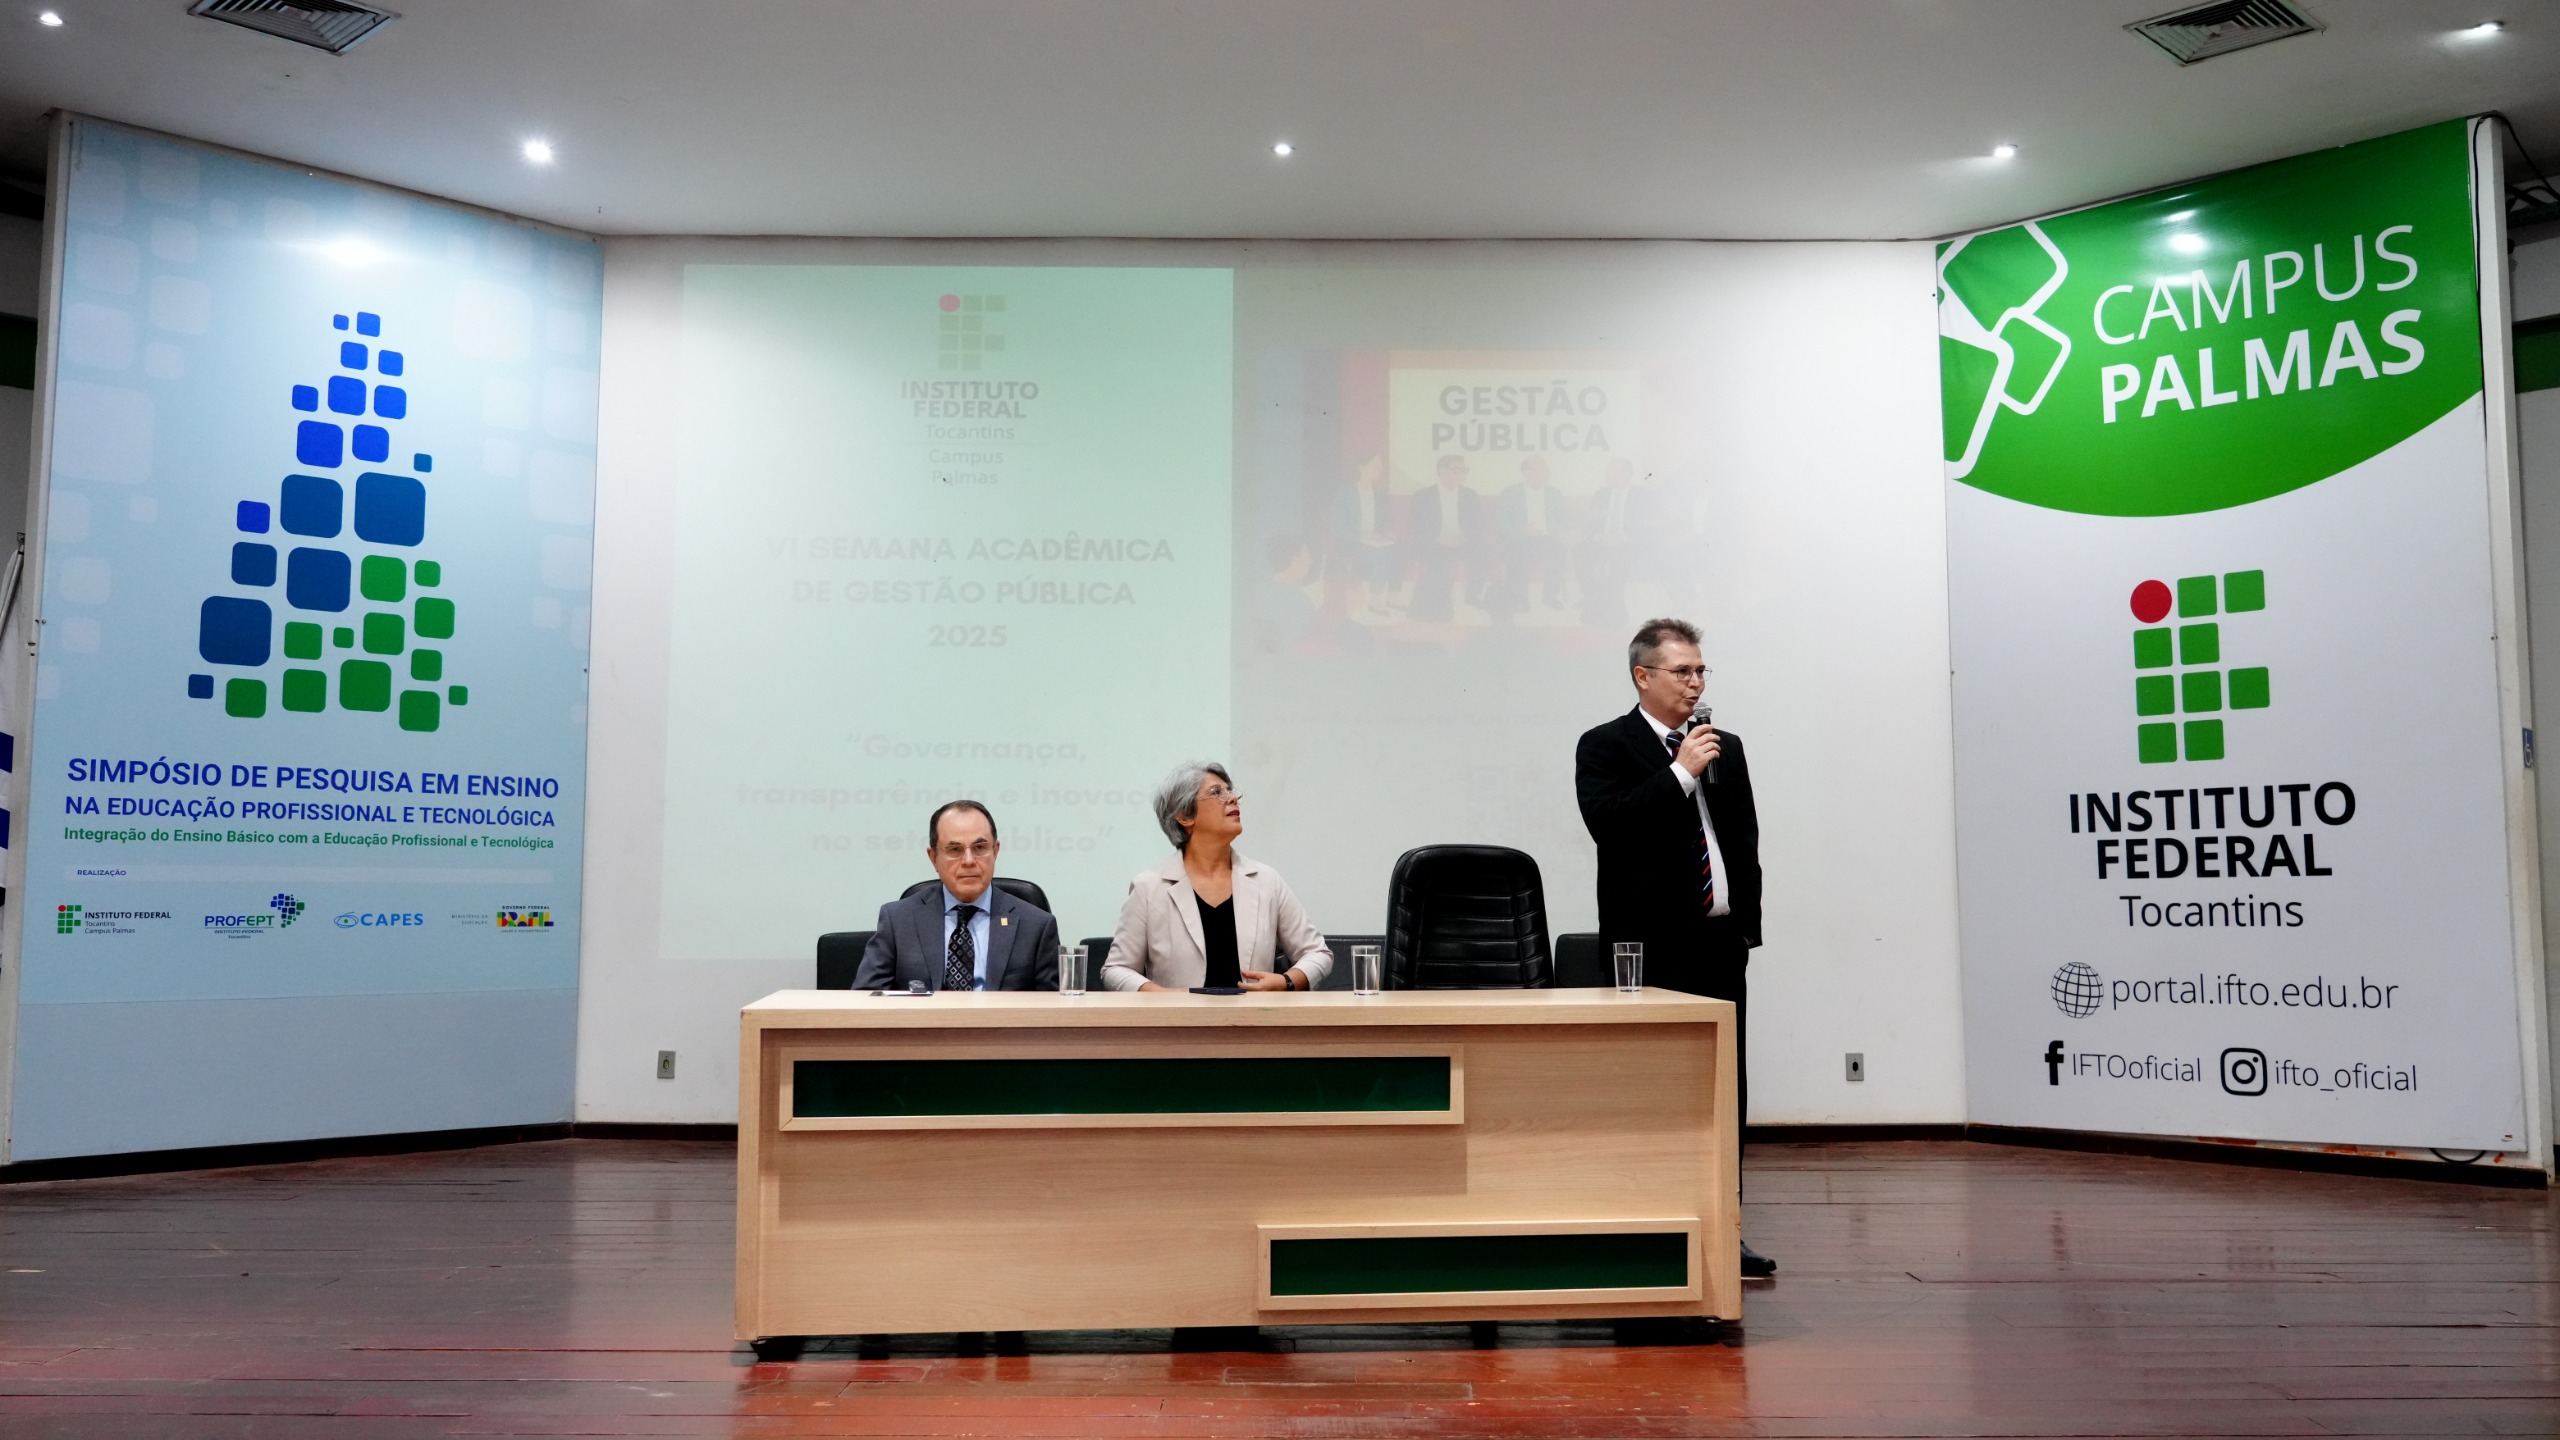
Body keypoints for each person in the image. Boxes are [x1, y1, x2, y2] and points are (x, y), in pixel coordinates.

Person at [1573, 617, 1774, 1278]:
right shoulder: (1606, 745)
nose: (1696, 683)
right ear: (1643, 676)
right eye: (1683, 671)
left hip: (1719, 945)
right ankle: (1647, 1223)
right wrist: (1680, 774)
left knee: (1724, 1091)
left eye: (1701, 670)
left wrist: (1745, 927)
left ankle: (1726, 1225)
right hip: (1650, 952)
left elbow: (1742, 841)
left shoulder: (1724, 747)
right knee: (1652, 1091)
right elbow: (1610, 825)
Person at [1102, 762, 1332, 992]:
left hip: (1254, 1014)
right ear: (1184, 816)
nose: (1232, 798)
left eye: (1230, 791)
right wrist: (1161, 996)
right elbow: (1116, 969)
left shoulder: (1266, 880)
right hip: (1179, 1015)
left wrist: (1286, 982)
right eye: (1216, 792)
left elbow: (1317, 952)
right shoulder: (1149, 887)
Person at [853, 800, 1061, 992]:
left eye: (980, 848)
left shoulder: (1036, 926)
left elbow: (1057, 1011)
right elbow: (865, 999)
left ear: (995, 851)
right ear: (934, 858)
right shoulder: (898, 920)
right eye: (954, 849)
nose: (969, 861)